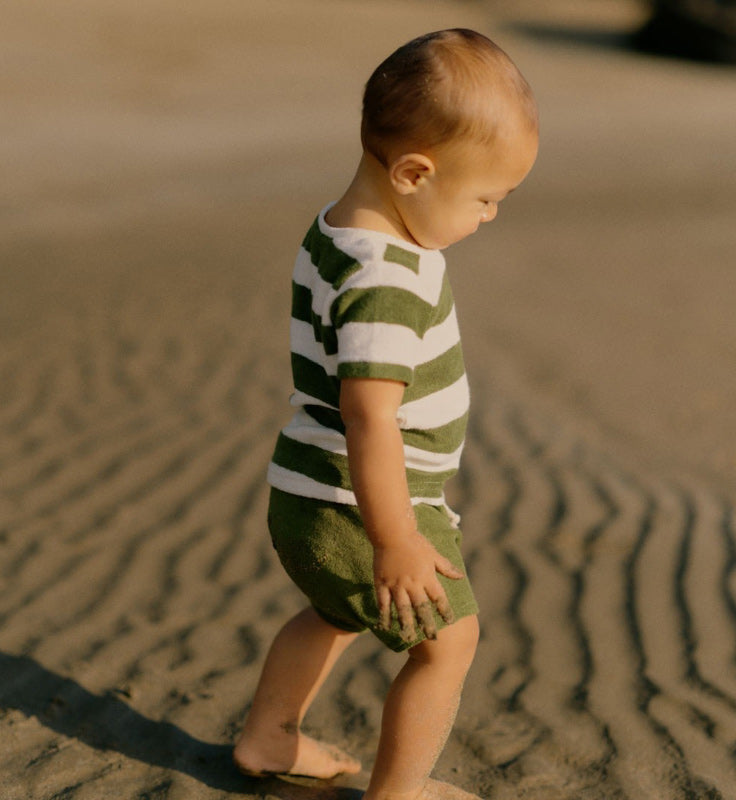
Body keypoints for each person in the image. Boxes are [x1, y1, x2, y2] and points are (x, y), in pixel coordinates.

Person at [233, 29, 539, 800]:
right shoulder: (387, 279)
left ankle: (269, 738)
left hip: (306, 494)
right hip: (361, 503)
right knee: (448, 644)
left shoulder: (337, 228)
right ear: (413, 173)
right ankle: (400, 791)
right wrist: (396, 538)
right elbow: (370, 418)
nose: (491, 216)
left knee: (332, 612)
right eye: (485, 198)